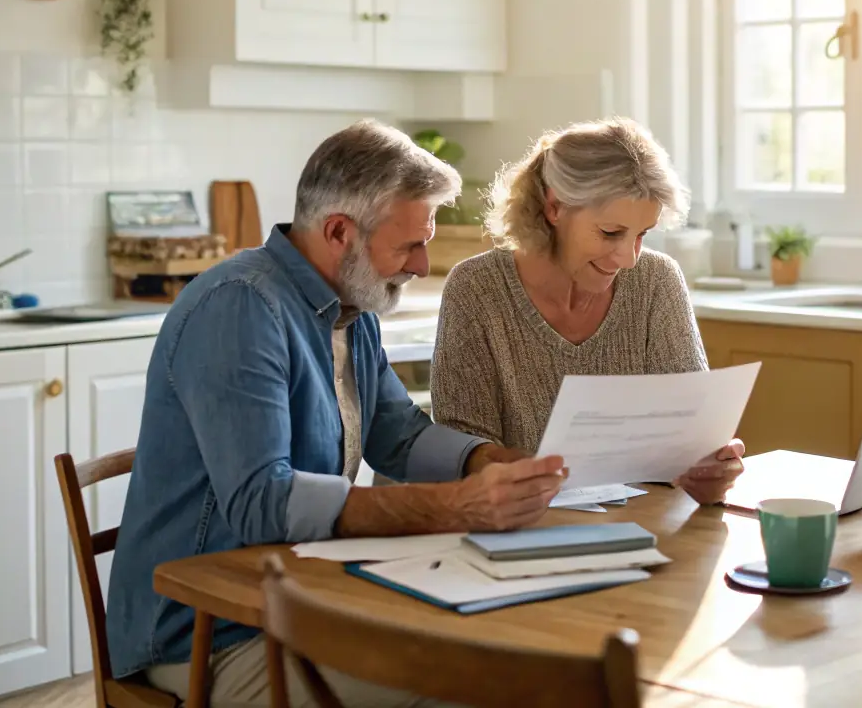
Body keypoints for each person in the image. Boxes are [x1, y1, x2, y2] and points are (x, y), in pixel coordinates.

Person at [106, 121, 564, 708]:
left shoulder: (353, 307)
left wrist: (490, 460)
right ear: (340, 232)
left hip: (298, 599)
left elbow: (397, 437)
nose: (423, 266)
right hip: (204, 636)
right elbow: (262, 504)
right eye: (409, 246)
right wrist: (457, 505)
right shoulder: (241, 308)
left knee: (501, 648)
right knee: (470, 686)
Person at [429, 118, 744, 506]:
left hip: (653, 525)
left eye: (642, 234)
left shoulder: (656, 281)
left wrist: (710, 469)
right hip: (526, 531)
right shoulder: (477, 289)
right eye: (611, 233)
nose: (628, 259)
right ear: (554, 207)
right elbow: (464, 451)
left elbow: (693, 435)